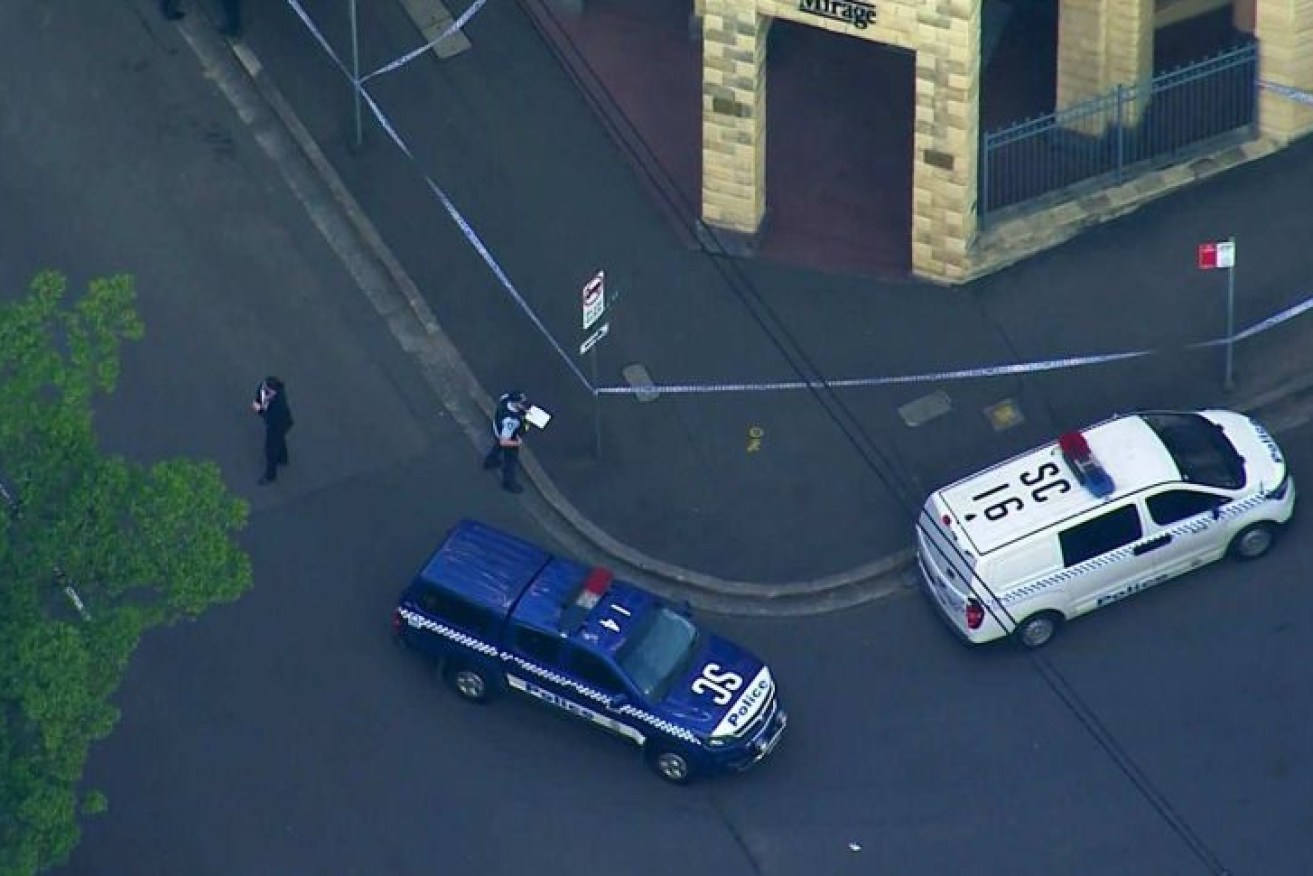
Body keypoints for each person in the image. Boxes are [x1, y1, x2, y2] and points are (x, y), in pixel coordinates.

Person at [482, 391, 529, 494]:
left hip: (497, 429)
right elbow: (504, 441)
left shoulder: (505, 399)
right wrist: (516, 443)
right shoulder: (511, 421)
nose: (524, 404)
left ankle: (490, 461)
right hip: (508, 439)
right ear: (515, 402)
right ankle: (508, 482)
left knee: (497, 447)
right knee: (510, 462)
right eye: (521, 402)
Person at [251, 376, 293, 485]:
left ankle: (270, 476)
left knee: (270, 449)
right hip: (276, 423)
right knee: (279, 439)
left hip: (279, 424)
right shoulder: (263, 389)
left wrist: (260, 410)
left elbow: (271, 416)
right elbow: (259, 399)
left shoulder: (279, 401)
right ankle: (283, 458)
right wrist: (257, 405)